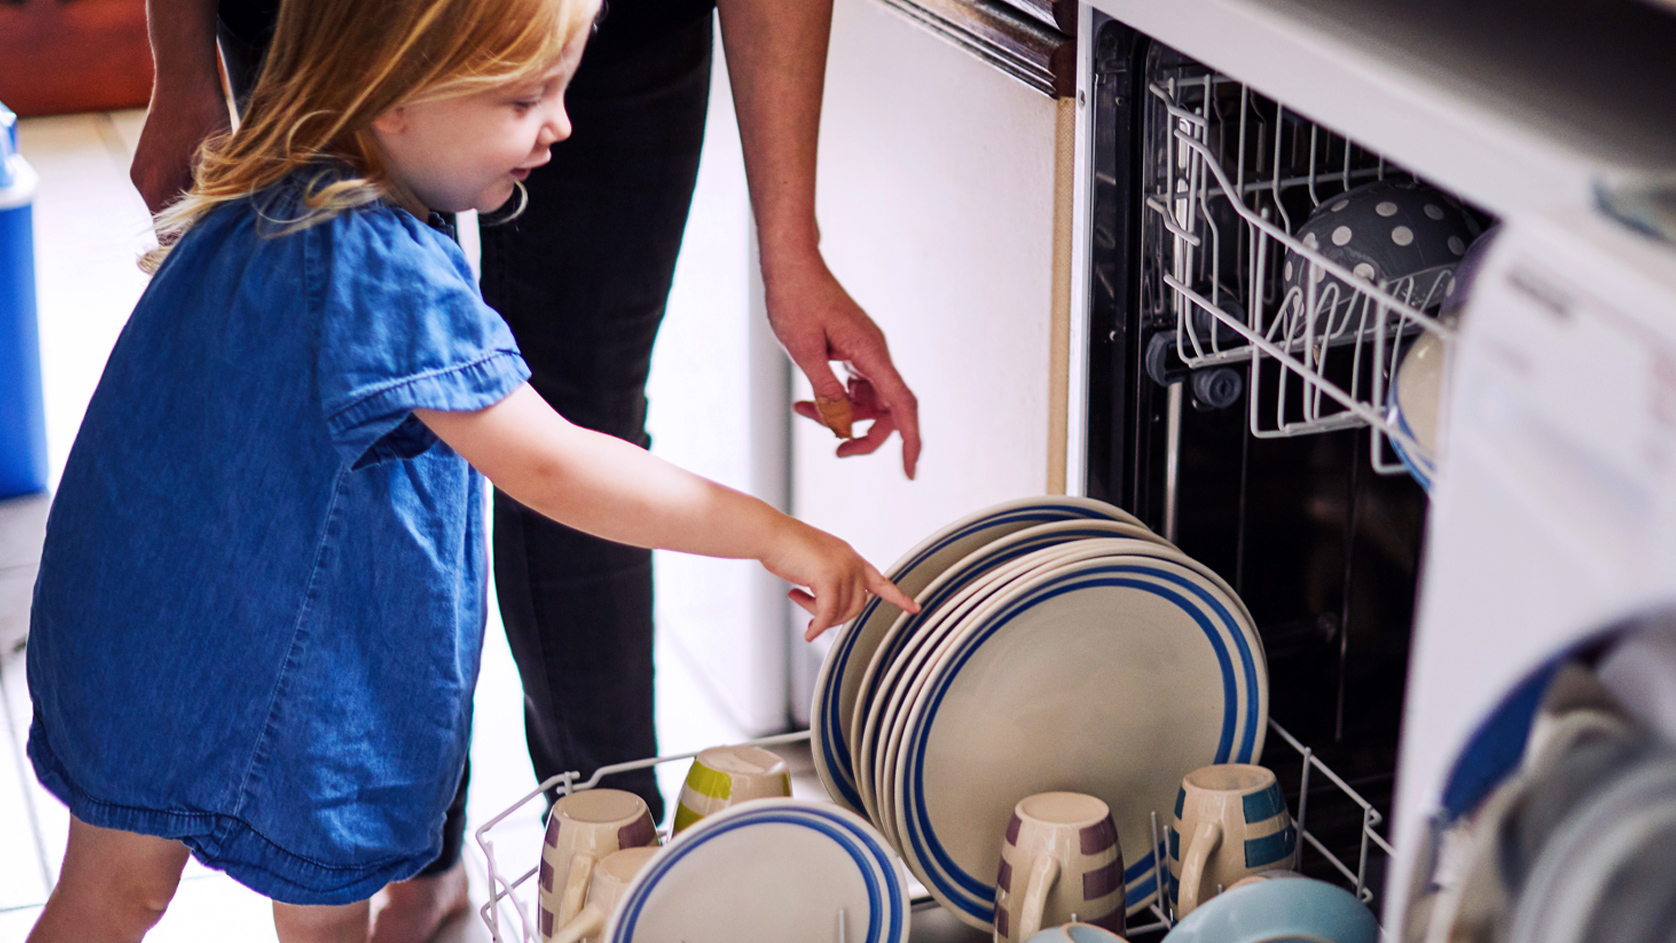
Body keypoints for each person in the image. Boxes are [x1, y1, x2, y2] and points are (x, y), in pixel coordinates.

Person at [23, 0, 917, 937]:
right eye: (525, 95)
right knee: (324, 920)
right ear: (394, 97)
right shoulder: (387, 274)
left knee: (108, 897)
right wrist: (783, 536)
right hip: (292, 681)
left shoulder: (264, 187)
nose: (561, 124)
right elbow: (560, 469)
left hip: (133, 641)